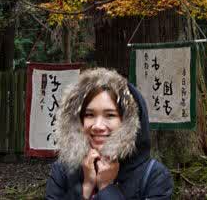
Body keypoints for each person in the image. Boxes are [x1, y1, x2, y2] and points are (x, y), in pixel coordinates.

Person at [45, 68, 174, 200]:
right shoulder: (62, 171)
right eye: (89, 115)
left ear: (127, 121)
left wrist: (106, 187)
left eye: (110, 115)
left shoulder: (154, 176)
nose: (98, 126)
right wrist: (86, 188)